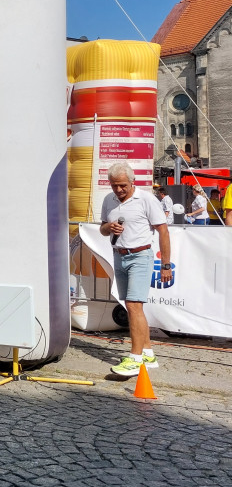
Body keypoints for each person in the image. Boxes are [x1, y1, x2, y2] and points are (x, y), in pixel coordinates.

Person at [99, 161, 171, 378]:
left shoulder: (146, 199)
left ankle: (135, 358)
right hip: (119, 255)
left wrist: (165, 265)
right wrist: (108, 227)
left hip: (140, 255)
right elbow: (102, 229)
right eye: (114, 186)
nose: (118, 190)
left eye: (122, 185)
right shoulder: (108, 200)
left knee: (133, 305)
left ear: (132, 182)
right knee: (132, 307)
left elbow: (163, 231)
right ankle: (148, 353)